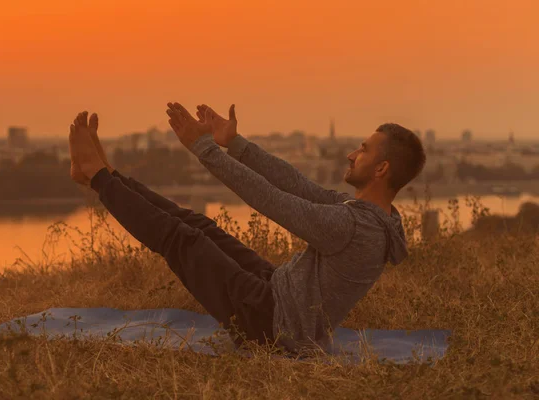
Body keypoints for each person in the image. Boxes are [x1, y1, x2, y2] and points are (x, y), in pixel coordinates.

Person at [67, 103, 426, 355]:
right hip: (276, 294)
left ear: (381, 169)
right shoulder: (374, 217)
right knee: (197, 225)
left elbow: (270, 199)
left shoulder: (350, 225)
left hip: (269, 326)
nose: (351, 154)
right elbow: (296, 186)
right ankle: (106, 175)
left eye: (362, 150)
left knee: (181, 239)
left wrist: (203, 148)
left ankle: (98, 177)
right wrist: (236, 145)